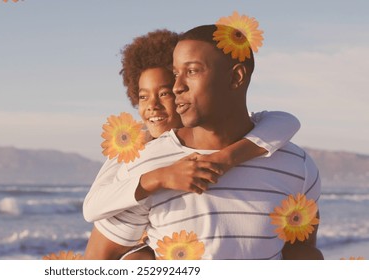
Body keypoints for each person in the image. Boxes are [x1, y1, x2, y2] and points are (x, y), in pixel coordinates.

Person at [84, 25, 322, 260]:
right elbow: (96, 248)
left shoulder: (296, 164)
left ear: (236, 76)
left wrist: (226, 158)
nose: (178, 87)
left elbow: (300, 252)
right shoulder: (144, 161)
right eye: (176, 74)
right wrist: (157, 177)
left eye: (192, 71)